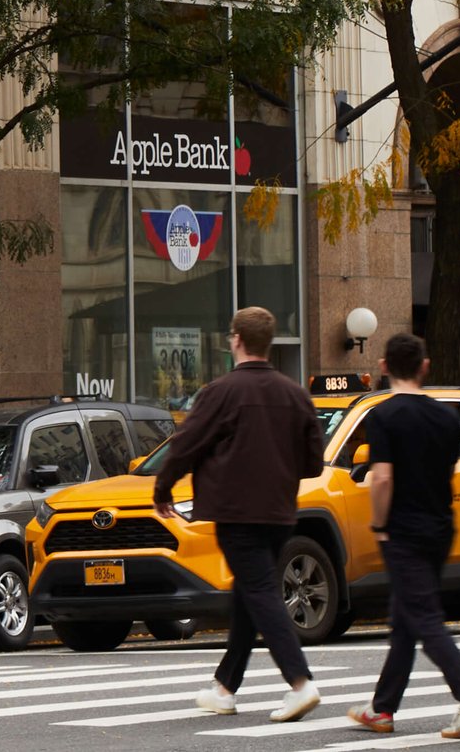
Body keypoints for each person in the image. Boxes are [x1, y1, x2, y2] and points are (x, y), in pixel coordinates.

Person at [152, 303, 327, 724]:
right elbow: (314, 464)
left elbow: (185, 445)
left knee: (261, 592)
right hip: (280, 512)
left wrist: (163, 488)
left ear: (236, 340)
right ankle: (225, 687)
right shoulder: (295, 394)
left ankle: (300, 683)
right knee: (252, 593)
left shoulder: (220, 392)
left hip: (236, 511)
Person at [344, 330, 460, 739]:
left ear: (384, 367)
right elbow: (446, 472)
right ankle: (383, 708)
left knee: (423, 617)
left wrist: (379, 524)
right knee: (406, 619)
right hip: (440, 526)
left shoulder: (383, 416)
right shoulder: (447, 416)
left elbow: (382, 479)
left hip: (403, 530)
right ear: (425, 367)